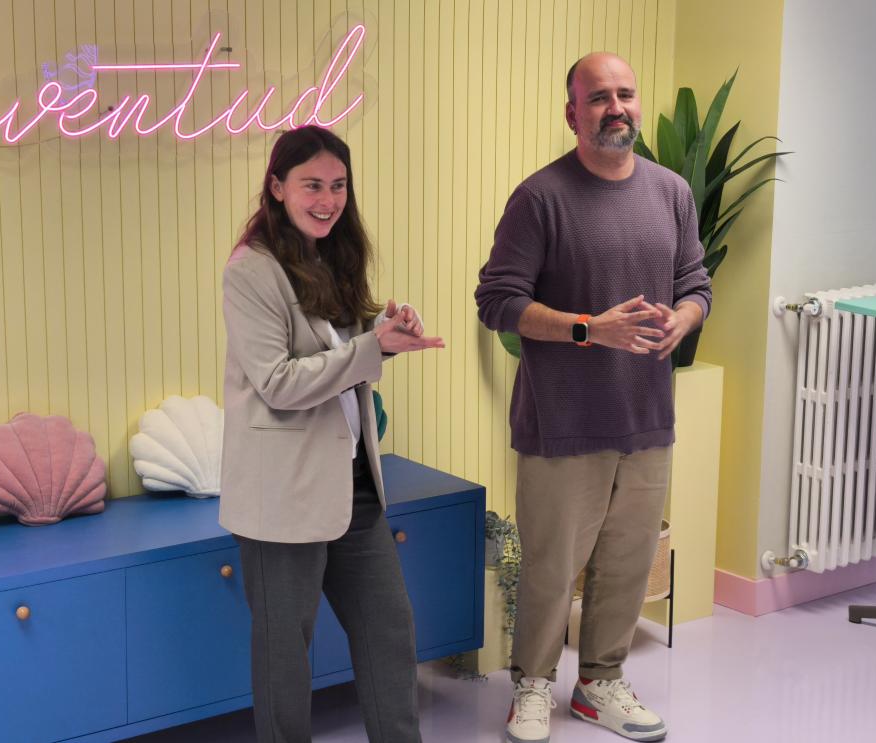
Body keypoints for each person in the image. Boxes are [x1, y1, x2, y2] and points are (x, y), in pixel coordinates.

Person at [475, 53, 712, 743]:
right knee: (551, 569)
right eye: (599, 96)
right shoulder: (540, 197)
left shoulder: (672, 192)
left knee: (628, 564)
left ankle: (599, 683)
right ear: (572, 113)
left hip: (646, 419)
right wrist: (588, 328)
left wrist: (684, 319)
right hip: (563, 425)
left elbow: (695, 283)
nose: (616, 107)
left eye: (625, 94)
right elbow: (497, 301)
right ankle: (532, 687)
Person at [220, 125, 444, 743]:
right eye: (312, 185)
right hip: (282, 495)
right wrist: (371, 348)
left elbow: (338, 349)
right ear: (277, 187)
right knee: (285, 655)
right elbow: (278, 382)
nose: (328, 200)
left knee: (389, 630)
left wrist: (385, 331)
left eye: (338, 185)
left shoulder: (332, 255)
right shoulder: (250, 270)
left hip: (353, 481)